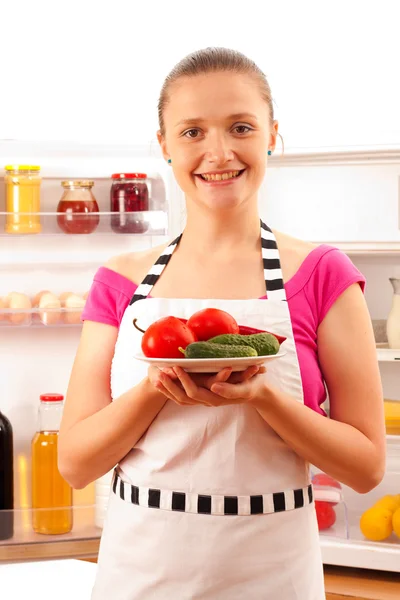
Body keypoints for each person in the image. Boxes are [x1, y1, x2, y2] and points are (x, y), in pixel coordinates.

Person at [58, 47, 386, 599]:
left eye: (240, 126)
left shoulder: (321, 274)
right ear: (163, 143)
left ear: (271, 135)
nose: (218, 152)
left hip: (271, 572)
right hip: (142, 570)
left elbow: (367, 467)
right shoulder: (119, 281)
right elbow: (74, 463)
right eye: (191, 131)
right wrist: (157, 385)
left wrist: (265, 398)